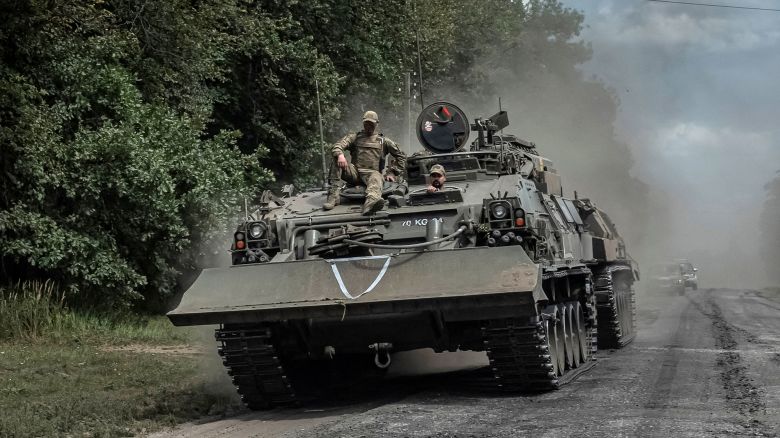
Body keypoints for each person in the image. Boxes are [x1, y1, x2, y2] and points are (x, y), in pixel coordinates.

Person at [323, 110, 407, 214]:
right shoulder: (355, 137)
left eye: (371, 123)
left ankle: (371, 203)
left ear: (376, 123)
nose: (369, 126)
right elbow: (337, 146)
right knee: (336, 158)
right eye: (366, 123)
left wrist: (392, 172)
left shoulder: (383, 141)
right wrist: (340, 155)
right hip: (354, 173)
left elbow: (401, 156)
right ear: (363, 123)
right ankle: (333, 196)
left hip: (372, 174)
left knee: (376, 177)